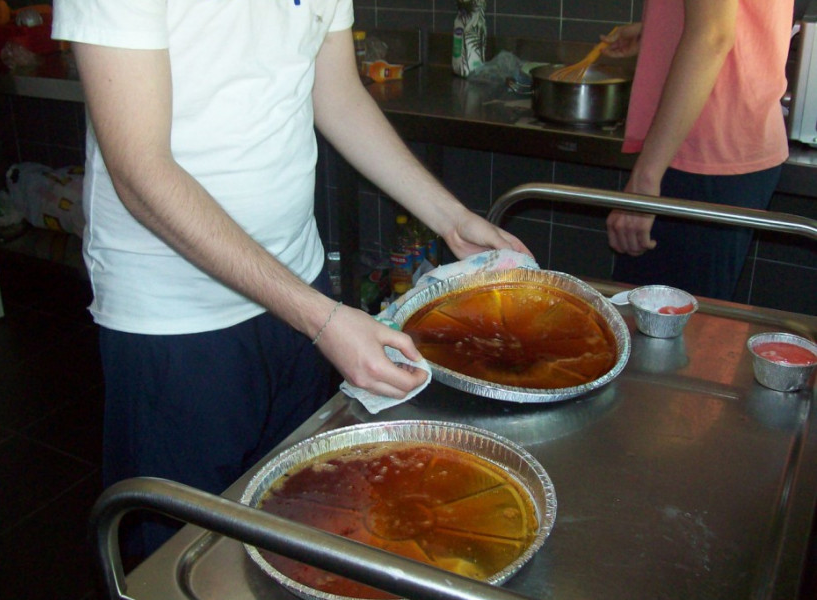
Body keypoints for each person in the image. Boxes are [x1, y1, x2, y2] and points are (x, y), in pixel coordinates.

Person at [51, 0, 531, 555]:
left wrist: (452, 219)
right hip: (177, 316)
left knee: (297, 524)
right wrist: (323, 318)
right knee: (178, 552)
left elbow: (337, 95)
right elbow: (139, 171)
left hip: (298, 287)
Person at [602, 0, 793, 300]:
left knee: (658, 328)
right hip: (728, 145)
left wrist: (645, 180)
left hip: (700, 152)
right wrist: (658, 32)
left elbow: (713, 35)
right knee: (685, 325)